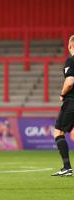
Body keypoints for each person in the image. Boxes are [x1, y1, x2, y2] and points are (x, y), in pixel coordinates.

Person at [52, 35, 74, 176]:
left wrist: (62, 93)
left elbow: (70, 81)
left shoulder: (71, 60)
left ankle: (67, 168)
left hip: (72, 101)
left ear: (70, 46)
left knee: (58, 132)